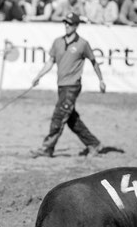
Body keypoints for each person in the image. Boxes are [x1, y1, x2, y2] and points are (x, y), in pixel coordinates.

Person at [30, 12, 106, 159]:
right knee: (72, 120)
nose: (66, 25)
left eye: (70, 23)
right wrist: (38, 76)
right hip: (62, 86)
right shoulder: (57, 42)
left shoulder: (83, 44)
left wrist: (101, 80)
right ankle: (94, 144)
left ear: (76, 26)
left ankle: (47, 148)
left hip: (72, 86)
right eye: (65, 22)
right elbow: (50, 62)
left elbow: (94, 62)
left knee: (58, 116)